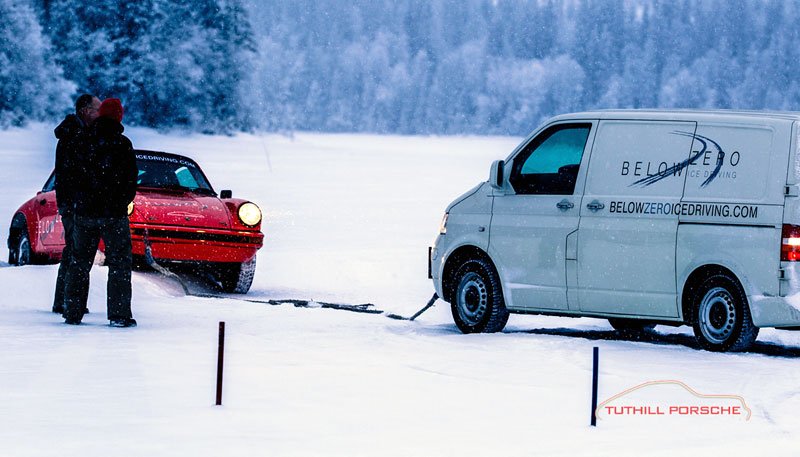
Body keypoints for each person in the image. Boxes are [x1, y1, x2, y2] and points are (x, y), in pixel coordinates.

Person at [62, 98, 138, 327]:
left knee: (79, 263)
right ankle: (118, 314)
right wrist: (120, 202)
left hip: (84, 213)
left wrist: (79, 202)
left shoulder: (81, 140)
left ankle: (72, 312)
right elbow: (131, 180)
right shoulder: (122, 144)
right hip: (113, 215)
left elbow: (70, 175)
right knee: (120, 264)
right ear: (119, 117)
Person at [52, 94, 100, 314]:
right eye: (97, 109)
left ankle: (63, 298)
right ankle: (67, 300)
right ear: (85, 110)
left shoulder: (75, 133)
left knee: (73, 250)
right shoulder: (75, 135)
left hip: (71, 200)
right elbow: (75, 172)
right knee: (76, 250)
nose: (99, 114)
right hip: (73, 202)